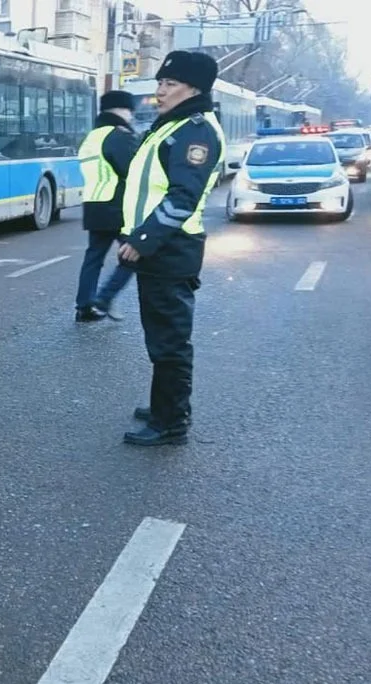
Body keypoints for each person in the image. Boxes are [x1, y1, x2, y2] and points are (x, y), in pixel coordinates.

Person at [116, 51, 225, 446]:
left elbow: (183, 196)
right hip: (162, 247)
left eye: (169, 84)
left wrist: (143, 240)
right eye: (160, 83)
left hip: (170, 248)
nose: (159, 92)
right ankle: (164, 404)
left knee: (169, 342)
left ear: (193, 88)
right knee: (160, 337)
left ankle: (171, 422)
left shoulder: (195, 131)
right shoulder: (172, 125)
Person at [74, 90, 141, 322]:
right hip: (118, 206)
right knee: (135, 255)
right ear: (122, 110)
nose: (131, 116)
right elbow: (133, 171)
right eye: (130, 111)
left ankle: (84, 306)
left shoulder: (91, 137)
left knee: (94, 258)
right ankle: (105, 297)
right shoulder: (119, 136)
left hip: (94, 204)